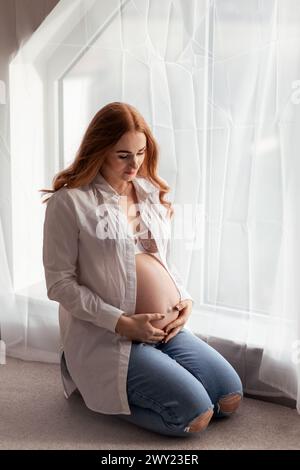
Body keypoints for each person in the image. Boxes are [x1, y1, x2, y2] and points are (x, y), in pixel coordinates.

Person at [41, 101, 243, 437]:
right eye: (123, 154)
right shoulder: (70, 202)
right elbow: (59, 284)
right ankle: (91, 387)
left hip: (165, 331)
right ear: (100, 149)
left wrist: (185, 300)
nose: (135, 163)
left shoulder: (148, 192)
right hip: (108, 337)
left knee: (229, 397)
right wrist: (121, 323)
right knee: (194, 416)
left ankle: (159, 373)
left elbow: (161, 260)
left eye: (140, 151)